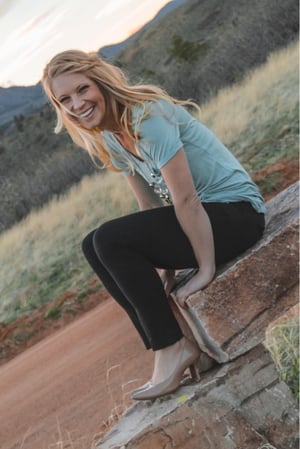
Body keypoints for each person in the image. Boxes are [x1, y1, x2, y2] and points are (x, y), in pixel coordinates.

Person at [42, 49, 266, 401]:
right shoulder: (111, 135)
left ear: (100, 82)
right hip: (205, 219)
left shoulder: (147, 116)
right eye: (64, 99)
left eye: (82, 89)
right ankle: (174, 340)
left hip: (237, 214)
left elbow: (187, 200)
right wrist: (165, 266)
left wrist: (204, 268)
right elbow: (148, 206)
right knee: (94, 244)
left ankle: (172, 347)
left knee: (111, 240)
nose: (76, 104)